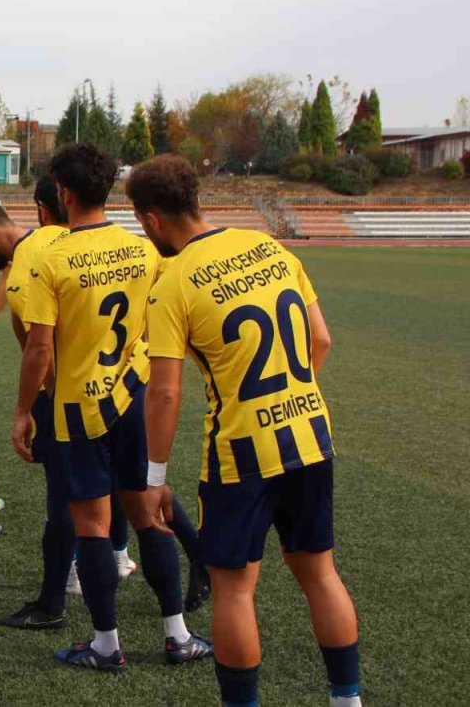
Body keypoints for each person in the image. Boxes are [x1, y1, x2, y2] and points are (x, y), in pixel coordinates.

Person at [130, 155, 361, 707]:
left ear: (152, 220)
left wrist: (154, 478)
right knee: (321, 574)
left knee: (234, 588)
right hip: (310, 433)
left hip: (241, 452)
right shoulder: (271, 248)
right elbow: (321, 340)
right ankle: (347, 700)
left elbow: (163, 392)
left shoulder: (174, 281)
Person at [20, 142, 211, 672]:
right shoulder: (145, 250)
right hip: (136, 396)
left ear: (63, 191)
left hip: (79, 407)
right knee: (148, 516)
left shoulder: (50, 256)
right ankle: (177, 635)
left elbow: (39, 348)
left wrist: (20, 412)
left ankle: (106, 645)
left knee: (93, 528)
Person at [0, 184, 73, 630]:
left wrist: (25, 410)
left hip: (72, 395)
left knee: (68, 503)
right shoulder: (56, 244)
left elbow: (38, 346)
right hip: (119, 386)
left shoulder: (32, 257)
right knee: (131, 492)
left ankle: (58, 606)